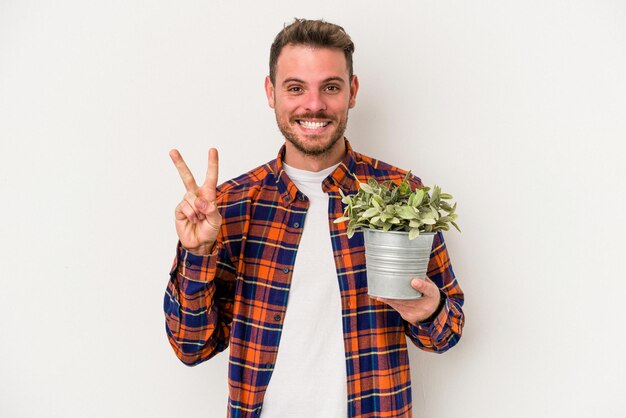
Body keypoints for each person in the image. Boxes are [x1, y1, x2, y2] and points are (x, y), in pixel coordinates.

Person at [164, 18, 464, 418]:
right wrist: (198, 253)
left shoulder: (403, 194)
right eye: (295, 88)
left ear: (352, 92)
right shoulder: (229, 206)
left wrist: (428, 311)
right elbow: (190, 346)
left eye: (331, 87)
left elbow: (447, 334)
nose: (314, 105)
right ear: (271, 93)